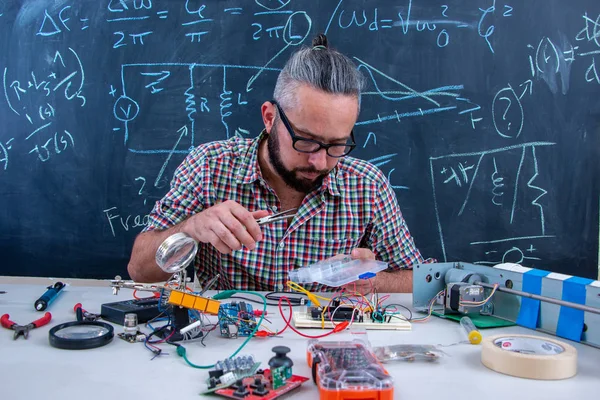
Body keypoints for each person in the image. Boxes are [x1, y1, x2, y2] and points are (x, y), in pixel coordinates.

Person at [128, 34, 429, 293]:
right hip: (227, 341)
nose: (320, 161)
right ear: (270, 118)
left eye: (337, 145)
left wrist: (374, 282)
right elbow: (139, 271)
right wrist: (191, 229)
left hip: (325, 341)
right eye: (306, 141)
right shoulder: (209, 167)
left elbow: (419, 279)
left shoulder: (367, 186)